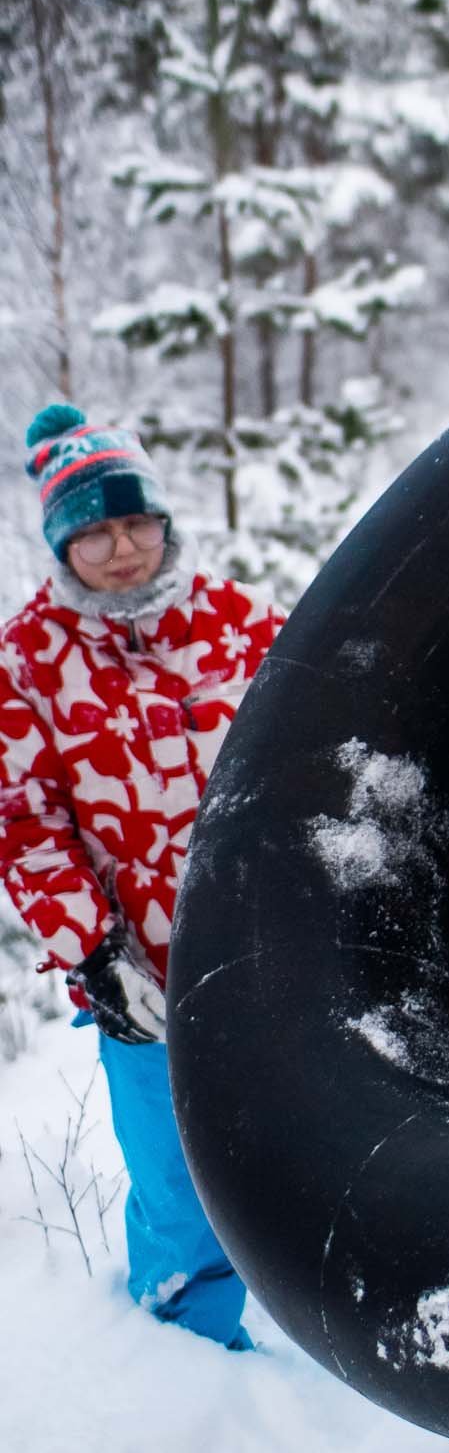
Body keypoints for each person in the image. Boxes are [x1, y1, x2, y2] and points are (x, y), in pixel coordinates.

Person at [0, 404, 284, 1348]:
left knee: (300, 1149)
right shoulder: (27, 661)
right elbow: (25, 823)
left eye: (137, 523)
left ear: (164, 522)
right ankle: (192, 1355)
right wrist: (92, 950)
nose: (122, 549)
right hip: (143, 981)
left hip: (273, 956)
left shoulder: (245, 622)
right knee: (176, 1176)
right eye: (94, 532)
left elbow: (317, 758)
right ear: (61, 544)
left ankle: (339, 1323)